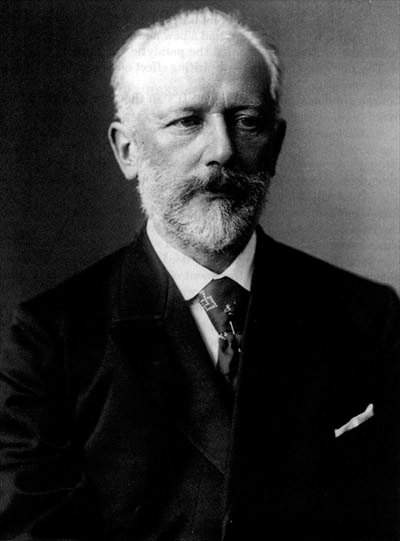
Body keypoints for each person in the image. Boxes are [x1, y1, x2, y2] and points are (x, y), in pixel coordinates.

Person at [0, 8, 399, 541]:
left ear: (276, 144)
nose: (223, 150)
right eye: (188, 121)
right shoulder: (51, 339)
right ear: (127, 150)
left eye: (247, 120)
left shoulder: (368, 318)